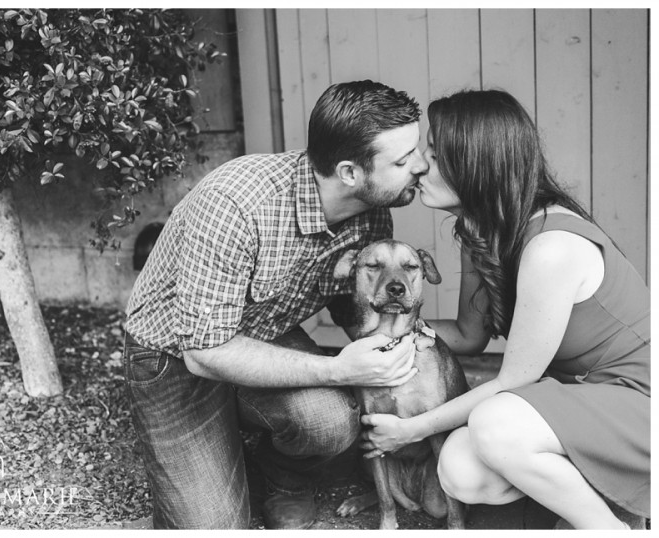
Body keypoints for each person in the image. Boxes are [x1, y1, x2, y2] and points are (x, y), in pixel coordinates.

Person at [124, 80, 432, 529]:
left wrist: (407, 355)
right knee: (211, 528)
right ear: (349, 172)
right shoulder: (235, 205)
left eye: (415, 150)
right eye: (403, 160)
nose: (421, 165)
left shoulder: (371, 214)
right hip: (176, 356)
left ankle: (282, 475)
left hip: (263, 333)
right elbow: (204, 353)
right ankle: (219, 445)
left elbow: (352, 306)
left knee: (331, 423)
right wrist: (338, 371)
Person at [359, 89, 650, 529]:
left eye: (433, 154)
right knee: (458, 469)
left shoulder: (551, 247)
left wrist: (411, 430)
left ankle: (608, 528)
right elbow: (468, 334)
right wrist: (383, 332)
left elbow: (514, 381)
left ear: (474, 165)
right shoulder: (481, 234)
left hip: (638, 402)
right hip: (576, 399)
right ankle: (599, 500)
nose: (418, 165)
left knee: (494, 424)